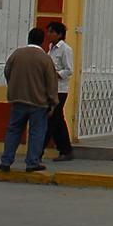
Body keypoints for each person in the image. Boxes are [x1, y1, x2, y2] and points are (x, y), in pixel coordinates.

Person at [0, 26, 60, 174]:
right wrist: (53, 101)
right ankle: (32, 162)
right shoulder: (45, 59)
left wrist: (13, 87)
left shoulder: (17, 54)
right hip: (38, 102)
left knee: (13, 130)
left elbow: (7, 71)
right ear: (42, 41)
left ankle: (6, 161)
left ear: (29, 39)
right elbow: (51, 82)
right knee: (37, 132)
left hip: (18, 99)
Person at [45, 21, 75, 162]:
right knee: (57, 120)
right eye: (48, 31)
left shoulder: (65, 50)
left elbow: (69, 70)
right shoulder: (50, 48)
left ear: (59, 34)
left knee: (53, 119)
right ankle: (65, 149)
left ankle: (40, 149)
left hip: (60, 89)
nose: (49, 34)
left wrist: (55, 74)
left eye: (52, 32)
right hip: (50, 88)